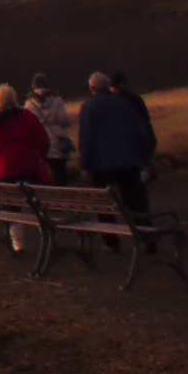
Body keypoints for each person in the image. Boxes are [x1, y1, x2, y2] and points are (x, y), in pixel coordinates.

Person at [78, 71, 155, 251]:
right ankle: (148, 238)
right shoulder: (123, 104)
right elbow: (139, 131)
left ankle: (111, 243)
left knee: (104, 207)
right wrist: (146, 157)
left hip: (101, 165)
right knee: (136, 203)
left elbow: (86, 139)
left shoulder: (88, 107)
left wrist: (85, 164)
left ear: (92, 88)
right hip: (128, 161)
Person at [0, 84, 51, 253]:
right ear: (15, 99)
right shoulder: (27, 117)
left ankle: (18, 244)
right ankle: (46, 236)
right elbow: (43, 140)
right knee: (37, 204)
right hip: (30, 167)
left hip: (6, 170)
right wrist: (41, 155)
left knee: (12, 207)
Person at [25, 73, 73, 186]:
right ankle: (64, 199)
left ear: (33, 86)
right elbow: (64, 121)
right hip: (58, 144)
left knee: (45, 177)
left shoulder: (29, 104)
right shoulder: (57, 100)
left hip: (41, 145)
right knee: (61, 175)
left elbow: (29, 126)